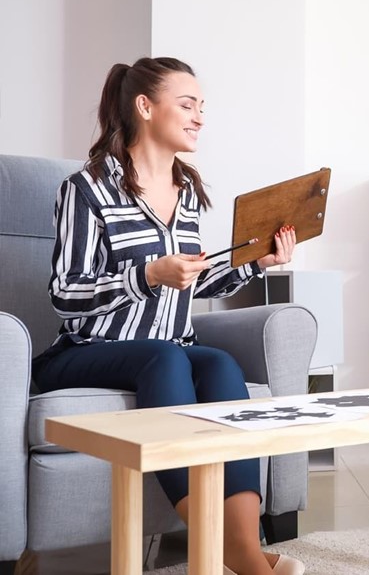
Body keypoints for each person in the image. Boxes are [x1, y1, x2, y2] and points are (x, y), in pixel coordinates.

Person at [32, 58, 305, 575]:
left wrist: (254, 263)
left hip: (167, 347)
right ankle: (238, 558)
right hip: (86, 352)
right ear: (144, 107)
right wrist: (147, 275)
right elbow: (65, 295)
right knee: (164, 358)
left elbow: (193, 279)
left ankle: (242, 547)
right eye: (187, 105)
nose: (199, 117)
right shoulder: (86, 190)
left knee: (219, 363)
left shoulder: (189, 192)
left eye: (202, 107)